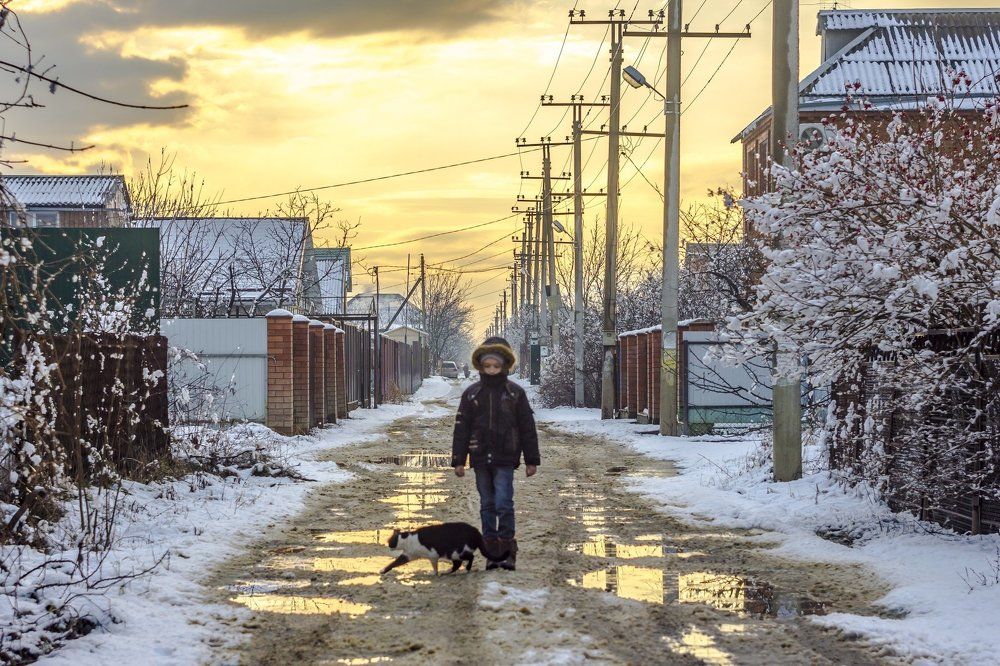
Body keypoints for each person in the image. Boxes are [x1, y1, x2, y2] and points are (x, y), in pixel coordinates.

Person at [451, 336, 539, 571]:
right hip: (479, 457)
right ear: (480, 366)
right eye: (487, 366)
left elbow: (527, 428)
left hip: (505, 458)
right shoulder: (472, 394)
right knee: (487, 504)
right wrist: (459, 460)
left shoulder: (514, 394)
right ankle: (492, 551)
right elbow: (461, 428)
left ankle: (507, 549)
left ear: (505, 366)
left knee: (503, 503)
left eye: (496, 366)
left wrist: (532, 460)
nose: (491, 371)